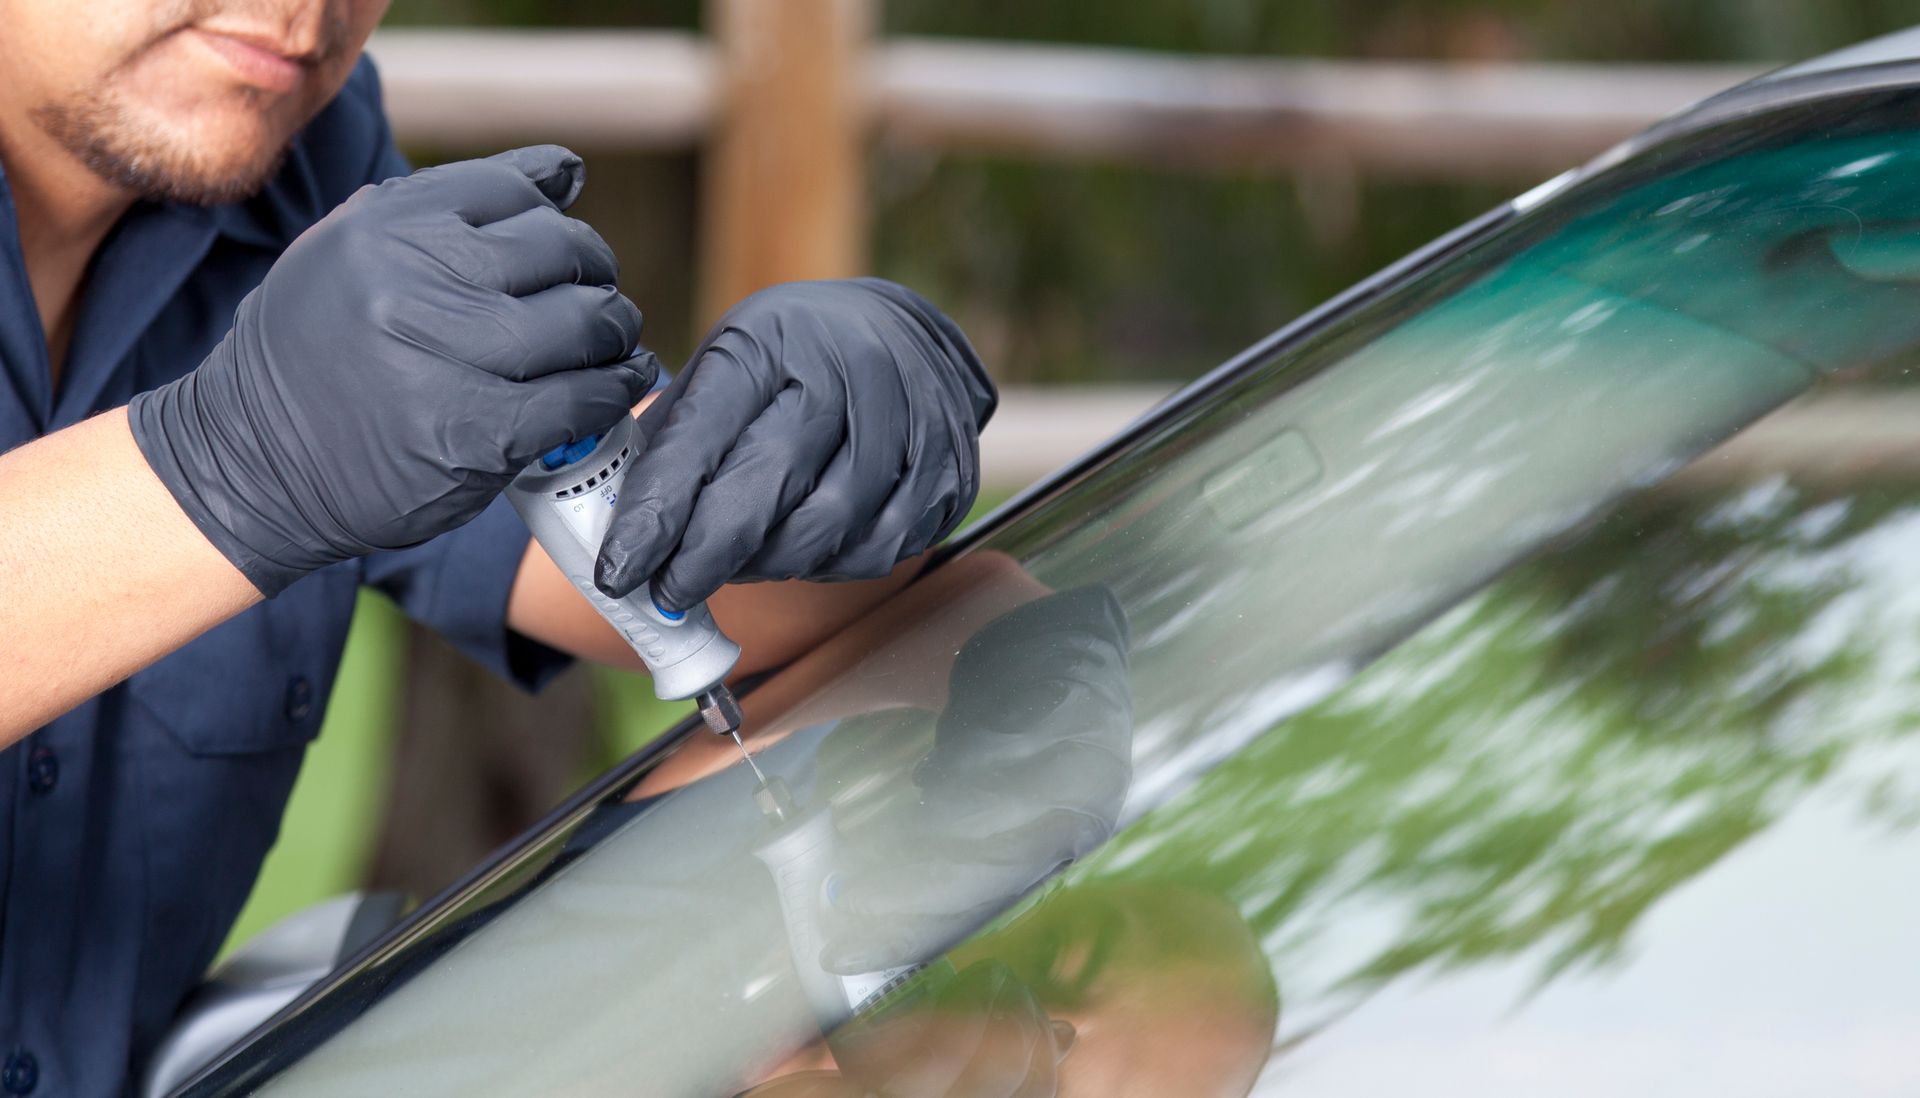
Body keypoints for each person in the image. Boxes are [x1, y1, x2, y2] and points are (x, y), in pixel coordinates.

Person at [0, 1, 995, 1094]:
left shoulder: (295, 172)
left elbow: (647, 553)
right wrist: (222, 466)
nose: (304, 9)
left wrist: (833, 449)